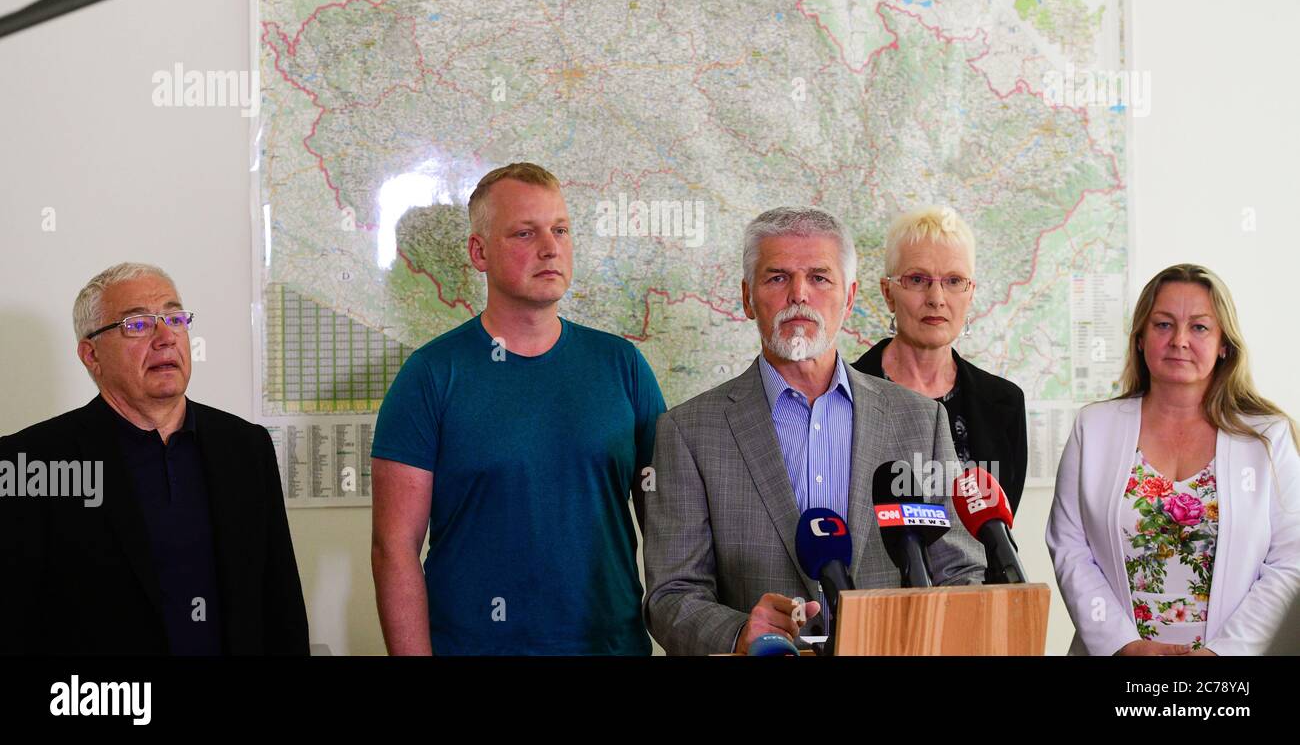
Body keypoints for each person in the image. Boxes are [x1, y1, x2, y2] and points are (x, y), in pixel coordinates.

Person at [643, 206, 984, 655]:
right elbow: (671, 596)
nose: (799, 295)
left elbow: (960, 571)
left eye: (820, 278)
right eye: (777, 278)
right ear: (748, 298)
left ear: (849, 296)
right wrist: (739, 631)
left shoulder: (921, 421)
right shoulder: (688, 432)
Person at [370, 162, 665, 655]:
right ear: (479, 252)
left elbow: (670, 527)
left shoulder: (623, 366)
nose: (550, 248)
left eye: (561, 230)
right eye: (525, 233)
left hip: (610, 647)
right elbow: (393, 550)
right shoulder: (430, 376)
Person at [0, 263, 309, 655]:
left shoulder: (246, 447)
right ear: (91, 354)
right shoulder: (31, 462)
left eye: (175, 318)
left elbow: (281, 603)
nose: (166, 338)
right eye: (138, 325)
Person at [1047, 264, 1300, 655]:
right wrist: (1123, 644)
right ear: (1141, 339)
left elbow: (1290, 560)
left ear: (1223, 345)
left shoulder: (1268, 436)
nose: (1179, 340)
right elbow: (1069, 547)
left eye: (1199, 327)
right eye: (1163, 324)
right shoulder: (1093, 428)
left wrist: (1225, 652)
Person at [852, 206, 1027, 513]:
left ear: (970, 294)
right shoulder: (842, 398)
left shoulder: (1004, 404)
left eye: (954, 280)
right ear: (888, 292)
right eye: (917, 279)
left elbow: (999, 534)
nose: (936, 297)